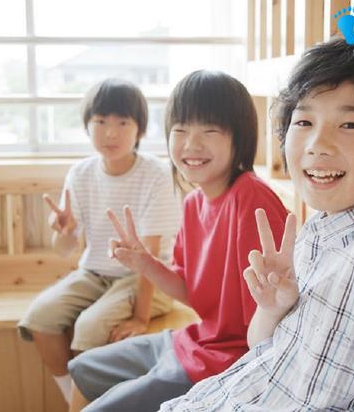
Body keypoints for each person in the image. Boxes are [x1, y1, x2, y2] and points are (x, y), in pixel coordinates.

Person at [161, 36, 354, 410]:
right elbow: (263, 351)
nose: (317, 143)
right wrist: (272, 308)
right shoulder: (319, 233)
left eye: (349, 124)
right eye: (304, 121)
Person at [67, 70, 289, 411]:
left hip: (228, 361)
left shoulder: (251, 198)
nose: (191, 144)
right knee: (82, 368)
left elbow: (271, 325)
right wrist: (144, 263)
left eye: (210, 130)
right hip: (196, 340)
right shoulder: (193, 203)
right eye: (180, 130)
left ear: (239, 137)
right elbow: (189, 291)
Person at [17, 79, 180, 404]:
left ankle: (90, 405)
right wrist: (63, 232)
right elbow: (65, 249)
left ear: (139, 129)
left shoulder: (156, 174)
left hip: (147, 277)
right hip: (94, 273)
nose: (110, 133)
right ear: (87, 126)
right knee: (39, 316)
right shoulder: (81, 173)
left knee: (89, 327)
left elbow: (149, 256)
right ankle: (74, 401)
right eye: (101, 121)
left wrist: (140, 317)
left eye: (123, 123)